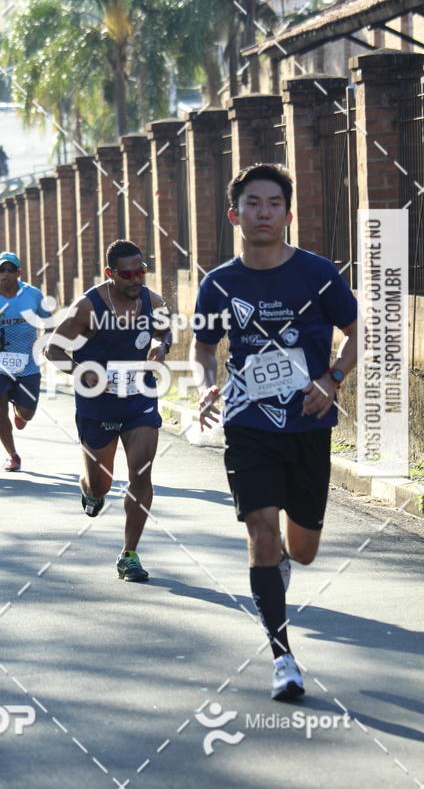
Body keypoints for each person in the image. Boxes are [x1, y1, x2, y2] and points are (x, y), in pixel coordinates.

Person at [191, 163, 357, 701]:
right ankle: (283, 656)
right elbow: (201, 348)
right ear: (235, 213)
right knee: (261, 533)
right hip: (248, 425)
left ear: (288, 213)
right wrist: (205, 385)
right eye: (253, 203)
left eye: (274, 204)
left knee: (302, 549)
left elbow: (358, 332)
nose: (263, 212)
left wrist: (332, 380)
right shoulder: (219, 284)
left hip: (309, 423)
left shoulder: (319, 273)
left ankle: (285, 560)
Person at [45, 239, 172, 583]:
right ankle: (89, 488)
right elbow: (53, 349)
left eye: (141, 271)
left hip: (139, 399)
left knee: (141, 474)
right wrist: (79, 372)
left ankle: (128, 554)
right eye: (128, 274)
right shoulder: (88, 306)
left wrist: (160, 348)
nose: (136, 279)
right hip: (97, 402)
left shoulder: (153, 300)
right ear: (110, 273)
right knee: (101, 485)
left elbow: (163, 333)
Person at [0, 251, 51, 472]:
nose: (5, 274)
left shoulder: (33, 295)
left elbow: (49, 323)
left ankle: (20, 413)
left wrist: (46, 341)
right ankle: (12, 455)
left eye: (10, 270)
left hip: (28, 366)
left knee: (27, 413)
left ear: (19, 272)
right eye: (1, 270)